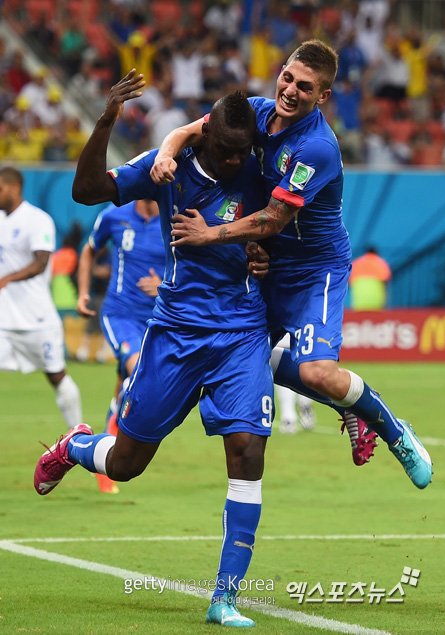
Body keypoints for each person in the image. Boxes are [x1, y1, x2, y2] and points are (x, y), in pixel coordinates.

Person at [35, 75, 275, 628]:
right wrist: (107, 118)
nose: (237, 160)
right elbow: (88, 190)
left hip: (240, 333)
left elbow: (284, 230)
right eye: (227, 149)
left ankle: (225, 598)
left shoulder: (263, 169)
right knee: (125, 463)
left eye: (245, 151)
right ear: (206, 135)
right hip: (175, 334)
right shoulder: (168, 168)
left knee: (248, 452)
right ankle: (76, 446)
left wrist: (264, 258)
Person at [151, 39, 433, 490]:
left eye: (305, 87)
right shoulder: (259, 112)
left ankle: (394, 431)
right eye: (287, 77)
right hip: (271, 263)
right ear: (280, 71)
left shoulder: (318, 147)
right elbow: (187, 131)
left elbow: (274, 218)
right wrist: (166, 153)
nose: (290, 90)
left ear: (322, 97)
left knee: (316, 372)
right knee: (243, 357)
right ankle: (347, 405)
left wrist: (209, 235)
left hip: (314, 270)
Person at [76, 198, 165, 493]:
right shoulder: (113, 216)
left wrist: (163, 285)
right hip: (121, 315)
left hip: (161, 319)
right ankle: (106, 456)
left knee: (126, 384)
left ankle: (102, 452)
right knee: (138, 372)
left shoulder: (176, 215)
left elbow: (194, 266)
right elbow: (89, 250)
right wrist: (83, 293)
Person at [0, 166, 82, 431]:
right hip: (3, 317)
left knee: (56, 375)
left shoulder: (37, 220)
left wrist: (8, 279)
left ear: (14, 188)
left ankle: (78, 435)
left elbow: (40, 262)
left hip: (35, 317)